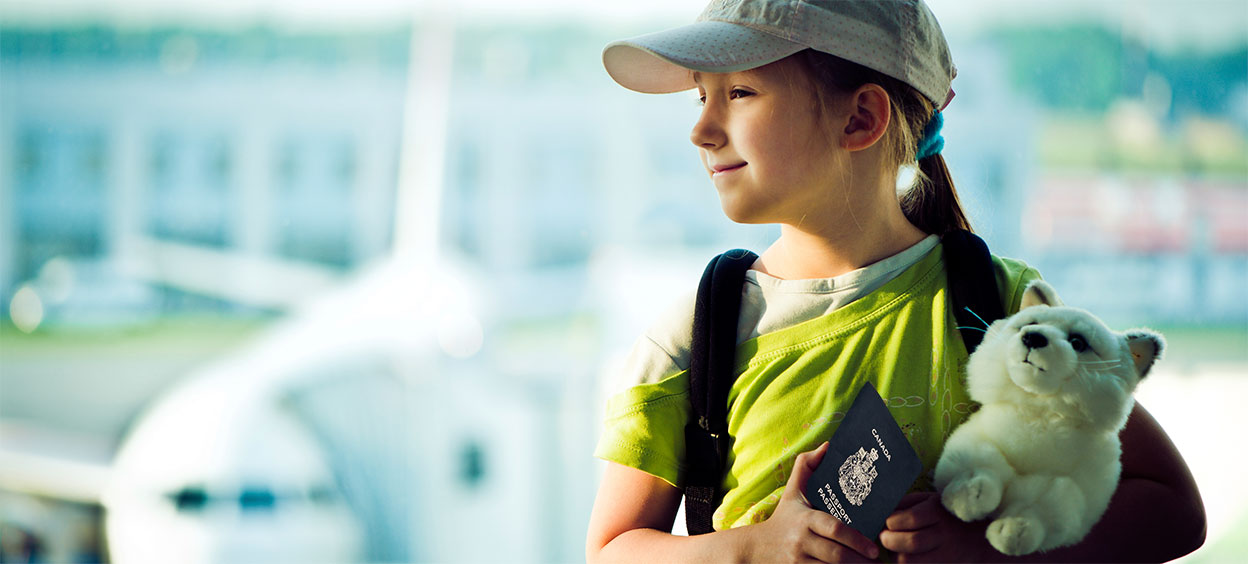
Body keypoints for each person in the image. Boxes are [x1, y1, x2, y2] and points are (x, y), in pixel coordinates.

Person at [585, 0, 1206, 562]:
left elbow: (1172, 507)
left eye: (741, 92)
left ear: (861, 118)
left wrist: (988, 550)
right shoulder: (698, 335)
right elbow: (612, 551)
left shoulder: (1003, 309)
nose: (702, 129)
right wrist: (756, 547)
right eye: (701, 96)